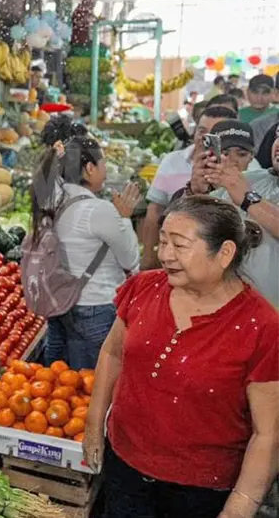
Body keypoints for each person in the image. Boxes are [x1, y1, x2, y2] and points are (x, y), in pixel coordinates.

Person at [82, 196, 279, 518]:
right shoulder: (144, 288)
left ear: (225, 253)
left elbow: (267, 433)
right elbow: (112, 353)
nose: (165, 254)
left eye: (179, 245)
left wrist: (240, 506)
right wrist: (94, 423)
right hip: (125, 468)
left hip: (200, 492)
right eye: (162, 242)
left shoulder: (262, 327)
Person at [29, 132, 141, 370]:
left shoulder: (51, 200)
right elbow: (130, 259)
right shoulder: (98, 210)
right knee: (91, 384)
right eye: (103, 164)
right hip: (95, 308)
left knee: (60, 380)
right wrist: (125, 218)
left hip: (59, 306)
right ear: (90, 168)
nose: (105, 171)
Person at [189, 122, 279, 307]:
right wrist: (197, 192)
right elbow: (194, 230)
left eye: (241, 153)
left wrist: (248, 198)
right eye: (278, 135)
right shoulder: (251, 180)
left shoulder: (244, 186)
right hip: (231, 309)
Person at [140, 104, 238, 269]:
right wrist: (148, 255)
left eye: (214, 133)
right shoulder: (172, 161)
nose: (205, 138)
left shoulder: (245, 168)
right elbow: (155, 210)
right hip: (174, 260)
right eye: (202, 130)